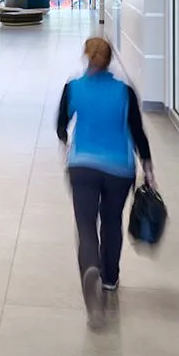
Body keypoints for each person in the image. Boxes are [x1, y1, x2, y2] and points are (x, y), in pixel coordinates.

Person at [56, 36, 154, 327]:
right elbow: (138, 133)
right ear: (110, 61)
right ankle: (110, 278)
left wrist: (67, 143)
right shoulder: (124, 92)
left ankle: (91, 269)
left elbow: (61, 126)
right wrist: (148, 167)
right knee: (111, 222)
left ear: (87, 58)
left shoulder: (73, 88)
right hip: (119, 170)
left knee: (86, 227)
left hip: (82, 166)